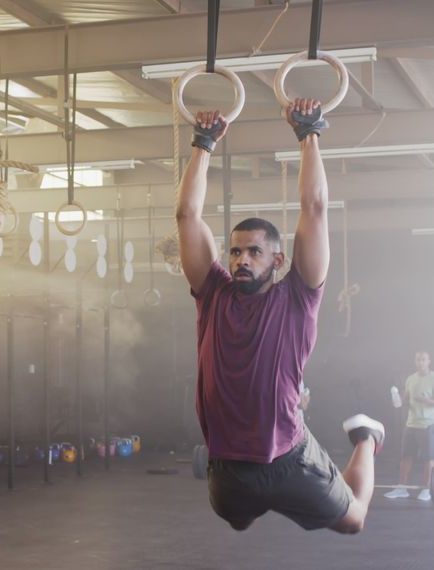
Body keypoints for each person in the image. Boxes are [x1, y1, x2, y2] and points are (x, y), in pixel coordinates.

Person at [178, 98, 384, 534]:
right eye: (235, 251)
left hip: (288, 457)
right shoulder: (212, 293)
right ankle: (256, 500)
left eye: (254, 252)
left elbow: (314, 208)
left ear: (277, 259)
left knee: (353, 521)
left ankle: (366, 436)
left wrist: (308, 132)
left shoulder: (297, 296)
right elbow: (187, 215)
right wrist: (203, 142)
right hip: (229, 469)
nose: (241, 259)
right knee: (236, 521)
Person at [384, 351, 434, 501]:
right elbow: (405, 400)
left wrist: (428, 401)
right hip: (411, 424)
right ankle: (402, 488)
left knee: (428, 458)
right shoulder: (410, 379)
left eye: (423, 360)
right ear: (415, 361)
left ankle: (426, 490)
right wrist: (397, 400)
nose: (420, 362)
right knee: (406, 456)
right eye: (418, 360)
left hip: (428, 424)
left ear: (429, 361)